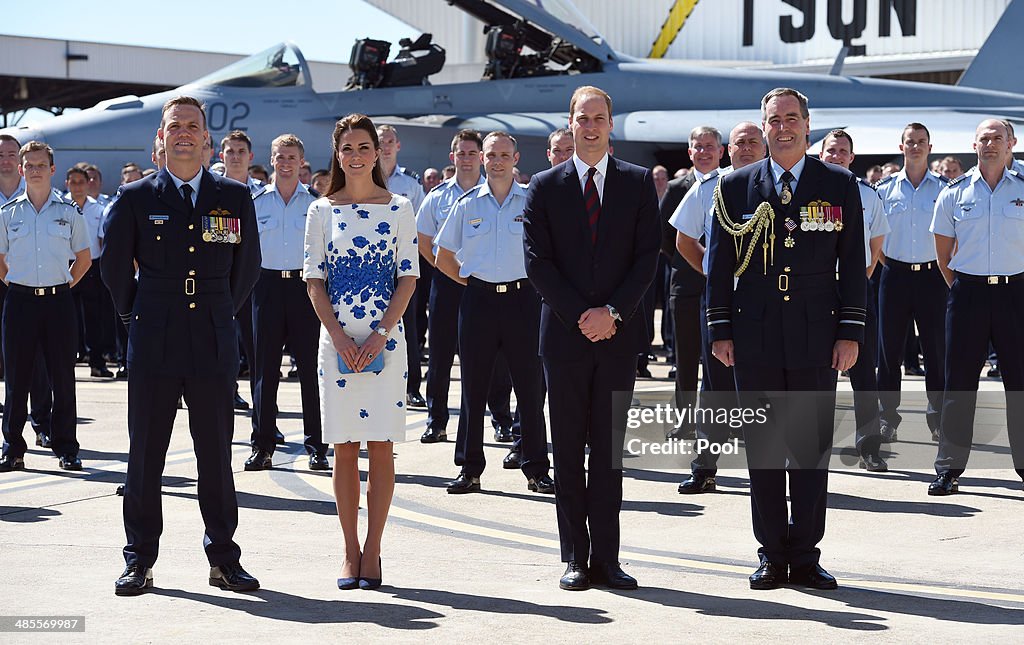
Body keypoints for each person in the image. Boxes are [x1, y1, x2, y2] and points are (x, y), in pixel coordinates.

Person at [102, 96, 262, 596]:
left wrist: (219, 311)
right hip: (154, 335)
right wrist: (138, 315)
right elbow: (112, 268)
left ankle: (223, 557)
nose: (185, 134)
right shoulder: (134, 198)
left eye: (194, 126)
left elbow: (247, 266)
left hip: (213, 336)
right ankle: (139, 558)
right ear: (161, 138)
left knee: (214, 452)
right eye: (176, 126)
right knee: (146, 452)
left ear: (208, 139)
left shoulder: (234, 196)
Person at [707, 87, 865, 591]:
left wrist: (851, 331)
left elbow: (853, 266)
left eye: (791, 118)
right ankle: (772, 553)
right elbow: (718, 266)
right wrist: (719, 329)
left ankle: (806, 553)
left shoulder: (838, 184)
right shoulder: (734, 187)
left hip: (818, 335)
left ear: (808, 123)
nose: (783, 127)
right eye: (774, 120)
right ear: (763, 126)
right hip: (753, 333)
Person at [524, 85, 659, 591]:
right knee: (569, 447)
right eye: (583, 118)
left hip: (618, 338)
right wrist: (584, 314)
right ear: (571, 121)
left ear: (610, 122)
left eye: (600, 117)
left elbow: (647, 257)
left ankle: (608, 557)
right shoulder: (544, 185)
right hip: (564, 338)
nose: (592, 126)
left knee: (608, 452)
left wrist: (613, 313)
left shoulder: (638, 182)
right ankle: (574, 557)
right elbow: (538, 262)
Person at [303, 113, 418, 590]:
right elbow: (315, 280)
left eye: (363, 147)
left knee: (381, 445)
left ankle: (374, 549)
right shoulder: (321, 211)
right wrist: (341, 338)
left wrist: (378, 335)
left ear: (377, 152)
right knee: (344, 446)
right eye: (346, 148)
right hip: (336, 343)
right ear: (337, 153)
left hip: (385, 341)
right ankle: (349, 550)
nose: (355, 156)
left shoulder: (400, 207)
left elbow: (408, 276)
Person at [434, 131, 554, 495]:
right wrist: (472, 283)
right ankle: (469, 469)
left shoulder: (532, 200)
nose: (497, 161)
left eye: (504, 154)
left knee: (530, 389)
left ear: (516, 158)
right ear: (482, 160)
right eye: (491, 155)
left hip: (523, 300)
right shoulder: (468, 204)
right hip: (479, 302)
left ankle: (536, 468)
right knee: (473, 388)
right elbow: (442, 256)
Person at [928, 118, 1024, 495]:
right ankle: (949, 469)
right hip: (967, 293)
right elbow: (942, 253)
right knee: (960, 385)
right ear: (974, 145)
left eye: (997, 137)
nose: (990, 143)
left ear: (1011, 143)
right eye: (984, 138)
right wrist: (965, 287)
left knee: (1019, 382)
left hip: (1015, 294)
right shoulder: (954, 192)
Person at [670, 121, 765, 493]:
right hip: (723, 301)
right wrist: (713, 272)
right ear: (728, 150)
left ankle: (771, 469)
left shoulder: (778, 188)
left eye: (753, 142)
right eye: (739, 143)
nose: (746, 148)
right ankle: (704, 468)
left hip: (769, 302)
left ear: (765, 146)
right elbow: (684, 238)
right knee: (715, 386)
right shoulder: (712, 188)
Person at [415, 129, 511, 447]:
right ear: (452, 157)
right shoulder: (437, 197)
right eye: (462, 153)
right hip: (448, 285)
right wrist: (453, 272)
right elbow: (425, 242)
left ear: (480, 158)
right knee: (441, 354)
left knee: (497, 358)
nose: (467, 158)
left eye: (473, 153)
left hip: (487, 287)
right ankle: (436, 420)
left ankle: (501, 419)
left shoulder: (496, 192)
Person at [0, 141, 91, 473]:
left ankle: (66, 447)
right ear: (21, 170)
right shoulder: (8, 214)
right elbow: (0, 260)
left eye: (41, 165)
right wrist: (19, 284)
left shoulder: (68, 212)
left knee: (63, 378)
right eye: (29, 165)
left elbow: (83, 258)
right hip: (20, 301)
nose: (34, 170)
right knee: (17, 378)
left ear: (53, 170)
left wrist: (63, 285)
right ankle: (12, 448)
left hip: (58, 302)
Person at [245, 134, 328, 471]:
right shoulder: (256, 202)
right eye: (280, 157)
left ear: (301, 162)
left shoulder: (315, 204)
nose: (285, 163)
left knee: (310, 370)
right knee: (265, 371)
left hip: (304, 289)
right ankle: (262, 445)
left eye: (291, 157)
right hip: (265, 288)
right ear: (272, 159)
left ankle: (317, 446)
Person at [819, 129, 890, 472]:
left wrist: (858, 281)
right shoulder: (808, 192)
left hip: (855, 291)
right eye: (831, 150)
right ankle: (815, 449)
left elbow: (876, 242)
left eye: (842, 151)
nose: (836, 156)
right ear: (821, 155)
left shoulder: (867, 194)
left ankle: (869, 448)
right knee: (818, 376)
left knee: (864, 373)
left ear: (852, 157)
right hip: (816, 292)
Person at [874, 123, 949, 443]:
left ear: (930, 147)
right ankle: (888, 419)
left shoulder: (945, 188)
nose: (916, 147)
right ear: (901, 146)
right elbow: (875, 239)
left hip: (934, 277)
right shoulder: (885, 189)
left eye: (921, 142)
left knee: (936, 352)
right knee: (889, 354)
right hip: (895, 275)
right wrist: (888, 264)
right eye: (910, 142)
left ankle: (938, 420)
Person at [658, 126, 723, 429]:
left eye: (710, 146)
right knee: (685, 357)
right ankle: (685, 420)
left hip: (722, 288)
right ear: (689, 152)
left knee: (721, 358)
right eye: (698, 147)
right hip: (685, 284)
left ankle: (721, 419)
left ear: (720, 151)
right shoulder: (676, 187)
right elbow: (665, 237)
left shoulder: (731, 183)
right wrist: (691, 263)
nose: (704, 152)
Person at [376, 125, 426, 408]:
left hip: (401, 265)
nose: (385, 146)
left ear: (398, 146)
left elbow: (417, 225)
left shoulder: (409, 183)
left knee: (408, 325)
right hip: (372, 263)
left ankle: (412, 387)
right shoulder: (363, 177)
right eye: (380, 142)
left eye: (389, 142)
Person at [220, 130, 264, 413]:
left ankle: (262, 414)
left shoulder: (263, 192)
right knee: (222, 347)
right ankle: (225, 396)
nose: (235, 157)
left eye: (240, 152)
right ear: (220, 155)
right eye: (230, 151)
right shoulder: (210, 188)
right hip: (219, 278)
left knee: (257, 349)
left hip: (254, 280)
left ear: (250, 156)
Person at [67, 166, 115, 378]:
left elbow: (102, 240)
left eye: (81, 182)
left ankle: (97, 362)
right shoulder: (60, 206)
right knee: (66, 317)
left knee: (93, 318)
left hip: (91, 267)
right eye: (73, 182)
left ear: (88, 184)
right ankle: (66, 362)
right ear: (67, 184)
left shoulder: (99, 209)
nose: (77, 186)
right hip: (65, 265)